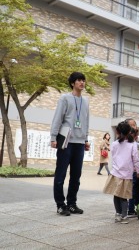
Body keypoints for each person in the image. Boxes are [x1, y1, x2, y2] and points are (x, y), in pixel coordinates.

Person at [50, 71, 91, 216]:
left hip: (79, 143)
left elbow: (86, 121)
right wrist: (53, 137)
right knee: (60, 174)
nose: (82, 83)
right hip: (66, 141)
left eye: (83, 80)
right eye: (79, 80)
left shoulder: (86, 101)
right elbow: (58, 118)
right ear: (73, 83)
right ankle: (60, 205)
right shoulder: (65, 98)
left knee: (76, 176)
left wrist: (86, 139)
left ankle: (72, 203)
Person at [103, 121, 139, 224]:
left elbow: (114, 156)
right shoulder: (132, 144)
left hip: (115, 173)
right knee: (124, 196)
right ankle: (124, 216)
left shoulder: (115, 144)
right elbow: (136, 159)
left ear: (117, 132)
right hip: (127, 175)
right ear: (129, 131)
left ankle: (118, 214)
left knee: (116, 195)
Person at [125, 118, 139, 218]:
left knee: (137, 189)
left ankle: (137, 207)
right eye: (131, 125)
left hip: (137, 169)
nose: (133, 127)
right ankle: (131, 209)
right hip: (129, 169)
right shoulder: (125, 140)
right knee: (131, 189)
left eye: (134, 125)